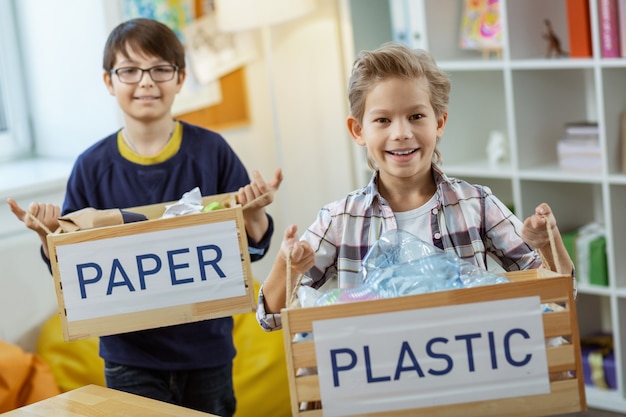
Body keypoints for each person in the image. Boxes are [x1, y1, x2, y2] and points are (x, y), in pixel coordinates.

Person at [7, 18, 281, 417]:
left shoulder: (213, 152)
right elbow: (70, 266)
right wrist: (48, 234)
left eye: (160, 69)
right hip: (128, 355)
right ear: (109, 82)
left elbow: (250, 249)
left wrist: (254, 213)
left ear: (180, 78)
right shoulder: (91, 166)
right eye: (130, 71)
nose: (146, 82)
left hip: (207, 349)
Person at [256, 42, 574, 331]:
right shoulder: (340, 220)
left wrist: (547, 244)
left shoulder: (477, 204)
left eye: (416, 116)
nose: (401, 133)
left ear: (439, 123)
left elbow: (561, 294)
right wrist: (289, 263)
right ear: (358, 130)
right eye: (383, 120)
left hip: (470, 372)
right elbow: (270, 317)